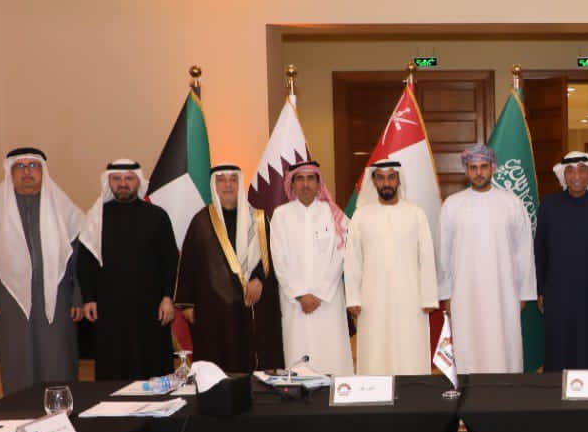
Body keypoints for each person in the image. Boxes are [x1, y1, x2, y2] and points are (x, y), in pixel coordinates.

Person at [0, 147, 84, 395]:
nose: (27, 172)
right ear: (10, 172)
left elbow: (77, 256)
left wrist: (77, 295)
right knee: (18, 358)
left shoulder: (63, 208)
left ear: (43, 171)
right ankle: (19, 408)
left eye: (33, 166)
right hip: (11, 300)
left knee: (58, 355)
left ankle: (61, 407)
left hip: (59, 297)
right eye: (20, 167)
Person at [174, 163, 284, 373]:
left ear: (239, 184)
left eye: (233, 179)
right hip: (214, 309)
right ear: (214, 185)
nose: (227, 185)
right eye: (221, 180)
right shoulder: (201, 221)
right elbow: (189, 265)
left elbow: (271, 255)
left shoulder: (258, 219)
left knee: (256, 363)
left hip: (252, 304)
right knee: (218, 365)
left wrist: (260, 279)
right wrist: (187, 305)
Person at [438, 144, 537, 373]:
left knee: (503, 344)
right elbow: (444, 252)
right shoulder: (452, 204)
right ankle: (468, 386)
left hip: (503, 291)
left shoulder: (512, 203)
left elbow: (524, 251)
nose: (479, 173)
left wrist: (524, 293)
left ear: (493, 168)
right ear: (466, 171)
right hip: (465, 292)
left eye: (483, 167)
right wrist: (446, 293)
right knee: (467, 343)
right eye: (473, 168)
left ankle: (505, 388)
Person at [76, 159, 177, 380]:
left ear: (138, 181)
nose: (123, 184)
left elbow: (170, 261)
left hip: (150, 307)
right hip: (109, 308)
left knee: (151, 363)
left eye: (129, 178)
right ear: (108, 182)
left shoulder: (157, 216)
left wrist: (168, 297)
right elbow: (85, 262)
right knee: (113, 364)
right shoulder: (96, 218)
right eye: (117, 179)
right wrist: (89, 298)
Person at [344, 160, 439, 375]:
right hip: (372, 298)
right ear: (374, 181)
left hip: (410, 298)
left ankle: (412, 389)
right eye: (381, 178)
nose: (386, 183)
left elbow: (426, 257)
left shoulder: (415, 214)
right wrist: (353, 298)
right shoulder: (361, 215)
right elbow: (352, 259)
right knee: (375, 350)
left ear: (398, 180)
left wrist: (428, 297)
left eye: (391, 177)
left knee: (409, 348)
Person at [535, 152, 588, 370]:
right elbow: (540, 250)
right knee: (560, 342)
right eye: (571, 171)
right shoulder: (549, 205)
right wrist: (541, 290)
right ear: (563, 175)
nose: (577, 176)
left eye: (582, 170)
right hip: (559, 290)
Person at [269, 161, 354, 375]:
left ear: (318, 183)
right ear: (292, 184)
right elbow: (279, 259)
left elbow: (340, 256)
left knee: (331, 358)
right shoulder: (281, 215)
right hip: (295, 303)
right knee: (299, 359)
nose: (305, 184)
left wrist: (320, 293)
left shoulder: (332, 213)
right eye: (300, 179)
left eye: (310, 179)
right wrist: (300, 294)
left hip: (328, 300)